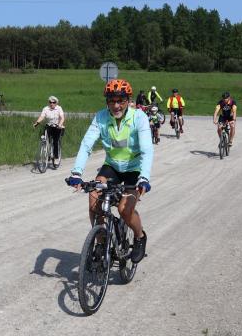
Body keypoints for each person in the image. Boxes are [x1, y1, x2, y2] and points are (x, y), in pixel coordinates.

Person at [67, 79, 153, 263]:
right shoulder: (101, 117)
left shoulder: (139, 117)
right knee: (94, 198)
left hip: (134, 169)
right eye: (111, 101)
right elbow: (86, 144)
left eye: (120, 100)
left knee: (124, 209)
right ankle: (100, 242)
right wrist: (76, 173)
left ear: (128, 100)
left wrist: (144, 177)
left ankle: (139, 237)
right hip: (112, 166)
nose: (116, 105)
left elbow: (147, 149)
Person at [32, 96, 65, 166]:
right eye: (50, 102)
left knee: (55, 141)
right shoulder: (46, 109)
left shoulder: (59, 108)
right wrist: (37, 123)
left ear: (56, 103)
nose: (52, 104)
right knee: (43, 137)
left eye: (53, 102)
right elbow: (42, 116)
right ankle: (45, 148)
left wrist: (60, 124)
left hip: (57, 126)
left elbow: (62, 118)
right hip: (49, 126)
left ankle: (56, 157)